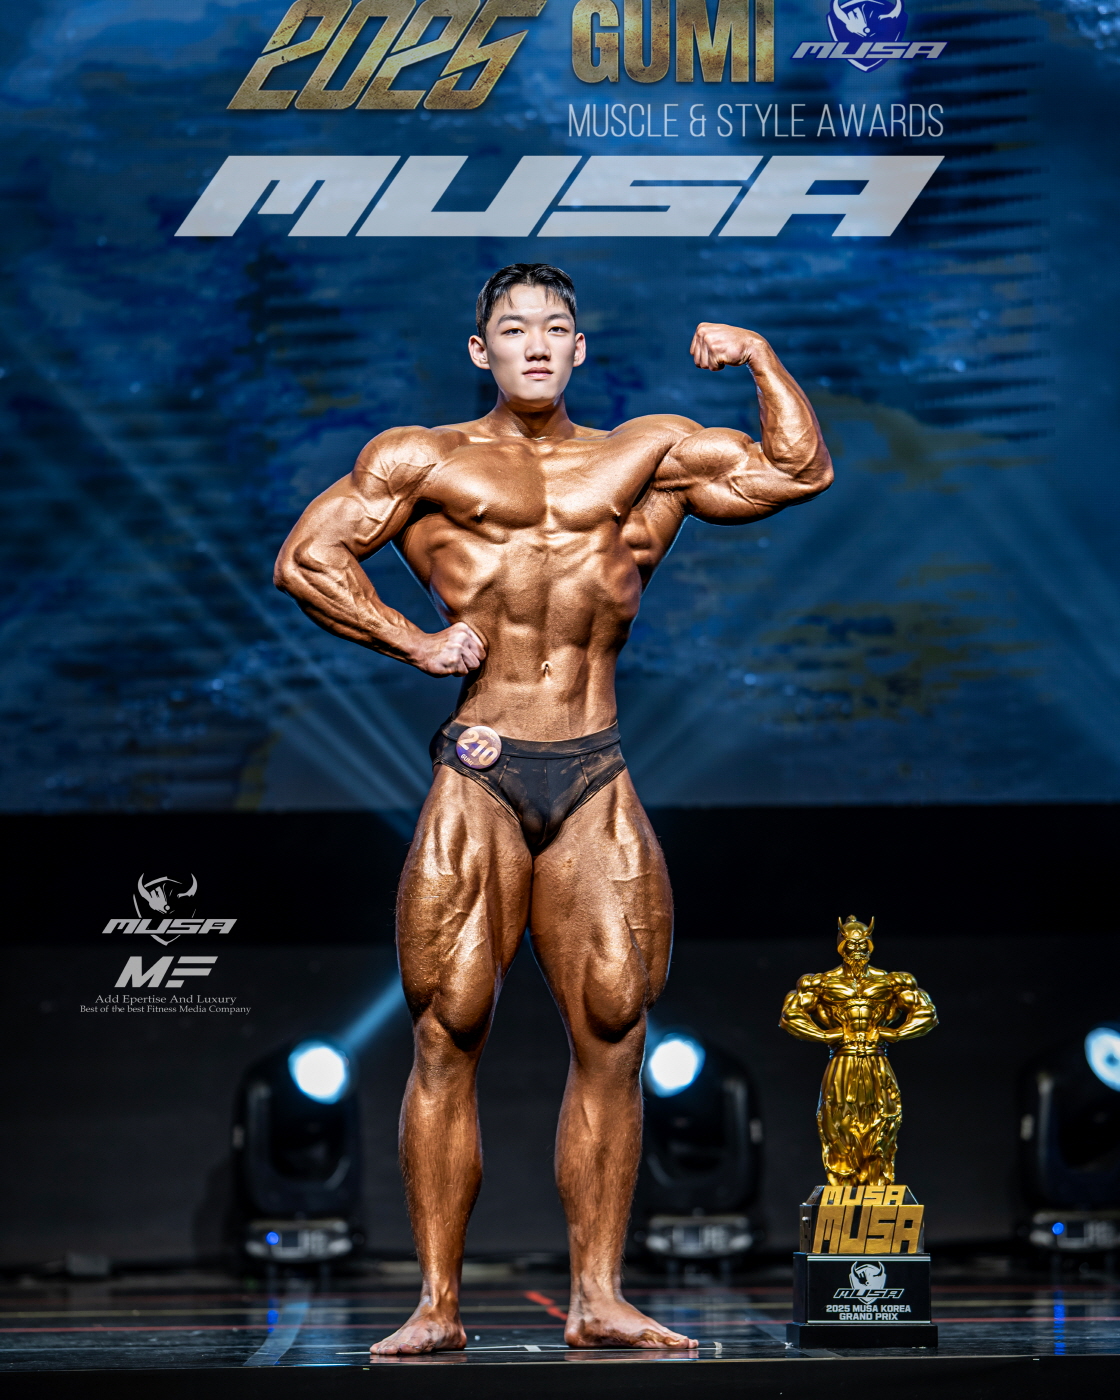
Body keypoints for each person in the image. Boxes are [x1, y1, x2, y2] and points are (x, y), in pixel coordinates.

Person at [274, 263, 833, 1353]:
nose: (535, 342)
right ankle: (436, 1306)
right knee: (448, 1028)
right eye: (513, 327)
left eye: (555, 327)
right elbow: (309, 557)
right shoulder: (422, 458)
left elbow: (796, 471)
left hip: (593, 767)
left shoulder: (647, 455)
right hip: (480, 768)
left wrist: (762, 357)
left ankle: (599, 1298)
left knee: (616, 1028)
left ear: (580, 347)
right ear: (479, 349)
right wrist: (414, 641)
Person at [779, 916, 938, 1186]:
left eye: (863, 945)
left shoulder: (891, 982)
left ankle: (877, 1185)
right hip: (843, 1059)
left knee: (884, 1120)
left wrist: (895, 1033)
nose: (857, 951)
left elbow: (927, 1013)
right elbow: (790, 1016)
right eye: (851, 946)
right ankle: (843, 1186)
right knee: (838, 1123)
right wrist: (825, 1035)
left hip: (876, 1059)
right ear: (841, 946)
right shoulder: (822, 983)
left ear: (870, 945)